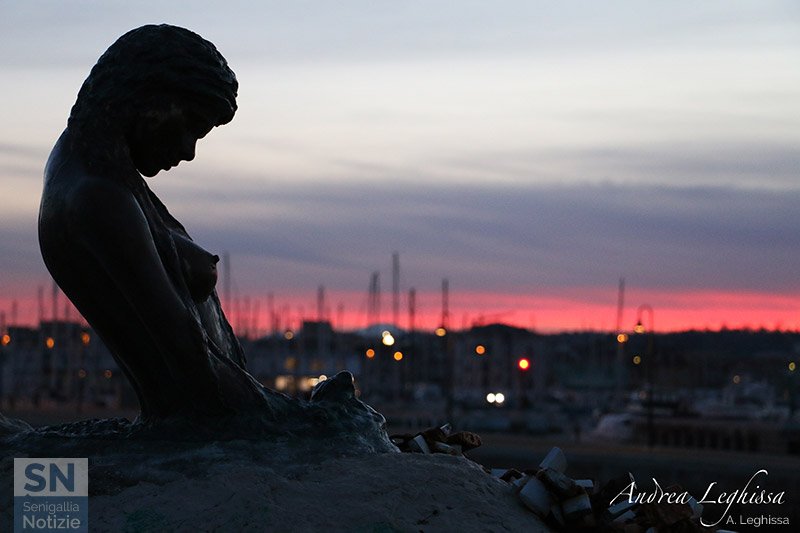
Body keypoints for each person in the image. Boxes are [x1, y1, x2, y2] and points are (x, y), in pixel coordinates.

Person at [38, 25, 374, 432]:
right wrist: (296, 422)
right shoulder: (99, 198)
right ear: (150, 97)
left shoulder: (91, 166)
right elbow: (187, 354)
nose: (188, 151)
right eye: (191, 125)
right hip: (206, 427)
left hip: (212, 420)